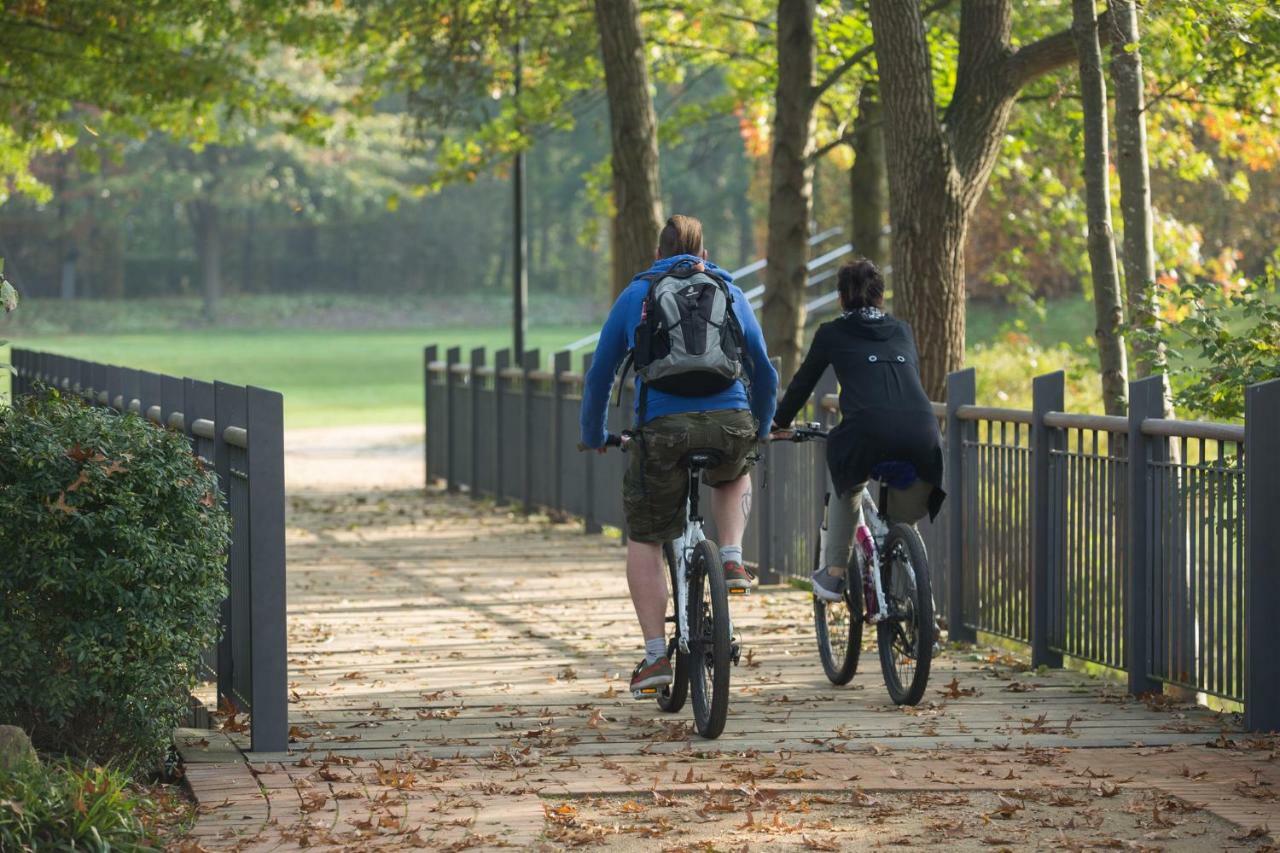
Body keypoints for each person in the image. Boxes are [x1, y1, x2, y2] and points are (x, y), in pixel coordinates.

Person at [580, 214, 778, 694]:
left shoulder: (637, 295)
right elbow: (764, 370)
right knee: (734, 474)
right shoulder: (729, 291)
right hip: (730, 422)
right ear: (703, 253)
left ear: (658, 252)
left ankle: (654, 658)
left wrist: (595, 433)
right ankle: (730, 556)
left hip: (661, 430)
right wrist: (762, 428)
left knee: (646, 537)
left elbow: (601, 373)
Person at [770, 259, 944, 602]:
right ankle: (913, 600)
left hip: (866, 433)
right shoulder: (903, 330)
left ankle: (834, 575)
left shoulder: (832, 333)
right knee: (901, 525)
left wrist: (779, 422)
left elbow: (803, 384)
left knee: (847, 483)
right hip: (923, 434)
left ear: (840, 298)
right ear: (881, 296)